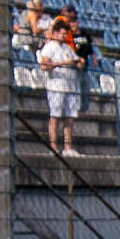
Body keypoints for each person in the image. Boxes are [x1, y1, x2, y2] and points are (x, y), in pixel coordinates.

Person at [36, 13, 82, 158]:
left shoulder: (68, 48)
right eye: (61, 33)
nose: (63, 36)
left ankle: (68, 147)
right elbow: (44, 65)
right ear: (55, 33)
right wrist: (62, 64)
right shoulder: (49, 47)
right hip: (56, 86)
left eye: (65, 34)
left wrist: (79, 62)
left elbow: (77, 61)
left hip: (70, 86)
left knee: (70, 118)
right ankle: (54, 147)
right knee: (55, 116)